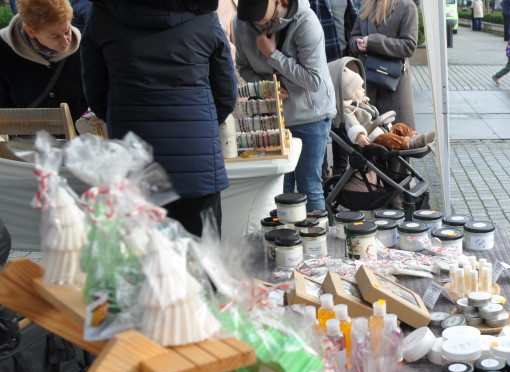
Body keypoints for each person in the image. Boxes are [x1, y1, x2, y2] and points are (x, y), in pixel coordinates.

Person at [81, 0, 236, 238]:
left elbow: (95, 91)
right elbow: (226, 92)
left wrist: (119, 117)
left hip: (134, 162)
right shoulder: (202, 14)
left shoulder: (103, 14)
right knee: (204, 261)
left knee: (145, 262)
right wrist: (200, 124)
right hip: (195, 159)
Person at [234, 0, 336, 212]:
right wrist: (267, 88)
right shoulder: (241, 22)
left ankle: (317, 243)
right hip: (273, 117)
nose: (255, 18)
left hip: (310, 115)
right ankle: (285, 242)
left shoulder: (306, 21)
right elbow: (243, 66)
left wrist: (272, 55)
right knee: (279, 189)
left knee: (309, 185)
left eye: (260, 11)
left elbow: (314, 81)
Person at [0, 0, 88, 120]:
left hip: (78, 135)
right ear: (30, 31)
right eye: (55, 36)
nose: (66, 41)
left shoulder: (81, 47)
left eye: (67, 31)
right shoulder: (4, 50)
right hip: (26, 135)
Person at [348, 0, 418, 128]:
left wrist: (373, 42)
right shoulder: (367, 5)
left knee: (398, 137)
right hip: (367, 84)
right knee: (370, 140)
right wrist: (357, 44)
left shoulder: (407, 6)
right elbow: (353, 36)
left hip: (393, 86)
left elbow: (409, 46)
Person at [339, 66, 434, 149]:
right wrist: (359, 135)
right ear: (351, 94)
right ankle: (410, 143)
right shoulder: (349, 110)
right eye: (359, 88)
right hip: (372, 137)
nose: (363, 90)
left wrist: (383, 120)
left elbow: (373, 115)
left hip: (382, 129)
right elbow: (352, 124)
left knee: (399, 126)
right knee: (387, 139)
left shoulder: (364, 103)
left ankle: (417, 138)